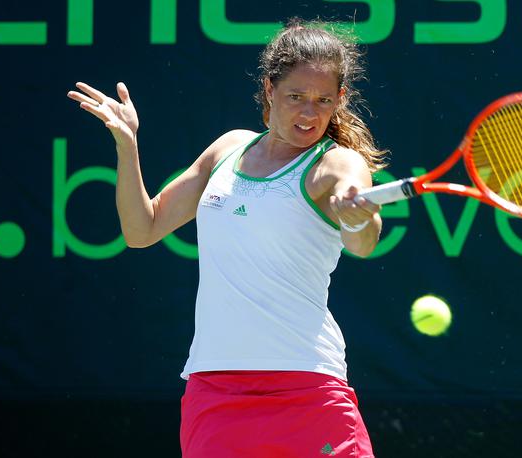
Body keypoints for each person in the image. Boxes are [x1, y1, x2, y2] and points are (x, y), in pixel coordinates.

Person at [67, 18, 386, 458]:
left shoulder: (337, 166)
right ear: (270, 90)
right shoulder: (228, 148)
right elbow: (142, 230)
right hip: (215, 392)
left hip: (308, 387)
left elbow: (362, 242)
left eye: (323, 100)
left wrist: (357, 215)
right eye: (296, 97)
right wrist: (128, 145)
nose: (309, 114)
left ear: (340, 100)